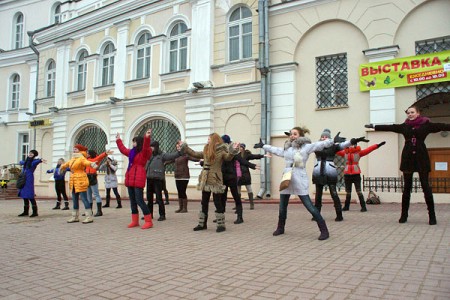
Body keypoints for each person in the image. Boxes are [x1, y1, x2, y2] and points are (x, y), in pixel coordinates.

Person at [365, 104, 450, 225]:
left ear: (418, 113)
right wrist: (374, 126)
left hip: (421, 157)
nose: (410, 114)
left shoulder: (426, 125)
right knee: (407, 188)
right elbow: (391, 127)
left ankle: (432, 216)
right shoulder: (404, 126)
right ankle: (404, 215)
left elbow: (442, 126)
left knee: (426, 187)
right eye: (408, 113)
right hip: (408, 157)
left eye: (412, 112)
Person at [254, 126, 339, 240]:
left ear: (300, 136)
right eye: (291, 134)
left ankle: (324, 230)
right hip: (287, 176)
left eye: (295, 134)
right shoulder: (288, 148)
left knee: (309, 205)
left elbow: (319, 145)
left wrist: (332, 141)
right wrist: (264, 146)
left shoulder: (306, 147)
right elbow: (277, 150)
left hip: (299, 176)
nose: (292, 136)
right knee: (282, 205)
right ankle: (280, 227)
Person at [179, 133, 240, 233]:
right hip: (205, 179)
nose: (207, 140)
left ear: (215, 140)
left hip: (215, 179)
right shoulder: (206, 149)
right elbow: (195, 153)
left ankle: (221, 225)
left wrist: (233, 149)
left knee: (217, 202)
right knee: (204, 202)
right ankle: (202, 224)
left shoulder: (221, 150)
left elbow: (228, 157)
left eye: (209, 139)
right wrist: (185, 147)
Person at [312, 129, 357, 222]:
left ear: (329, 138)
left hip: (330, 171)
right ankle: (316, 214)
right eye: (322, 136)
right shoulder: (316, 146)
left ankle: (339, 214)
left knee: (334, 193)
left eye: (326, 137)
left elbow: (343, 145)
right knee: (318, 195)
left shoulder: (334, 146)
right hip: (318, 171)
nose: (324, 138)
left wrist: (352, 141)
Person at [116, 129, 153, 229]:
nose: (133, 143)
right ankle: (135, 221)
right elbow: (123, 150)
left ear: (139, 142)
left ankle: (148, 221)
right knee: (132, 201)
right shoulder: (132, 152)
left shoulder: (144, 153)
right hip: (130, 179)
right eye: (133, 141)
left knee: (140, 200)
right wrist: (118, 140)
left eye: (134, 141)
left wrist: (147, 137)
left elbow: (146, 147)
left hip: (138, 179)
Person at [220, 134, 259, 224]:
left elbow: (242, 161)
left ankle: (240, 217)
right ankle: (221, 216)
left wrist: (252, 165)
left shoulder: (233, 151)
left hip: (232, 177)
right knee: (223, 197)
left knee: (236, 197)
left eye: (221, 141)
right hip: (223, 177)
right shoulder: (220, 151)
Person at [336, 142, 385, 212]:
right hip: (347, 174)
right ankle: (346, 207)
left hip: (356, 174)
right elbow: (336, 151)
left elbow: (368, 150)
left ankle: (363, 207)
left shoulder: (358, 153)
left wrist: (377, 145)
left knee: (359, 191)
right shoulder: (345, 153)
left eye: (352, 145)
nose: (351, 146)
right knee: (348, 192)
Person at [145, 141, 181, 221]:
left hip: (158, 179)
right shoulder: (149, 156)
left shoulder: (162, 155)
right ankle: (149, 214)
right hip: (149, 179)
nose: (151, 148)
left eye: (152, 147)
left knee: (159, 198)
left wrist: (179, 152)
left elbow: (171, 156)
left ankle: (162, 215)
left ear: (156, 147)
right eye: (150, 147)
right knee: (149, 198)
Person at [61, 144, 97, 224]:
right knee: (74, 199)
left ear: (80, 151)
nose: (74, 150)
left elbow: (86, 162)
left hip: (81, 180)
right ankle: (75, 216)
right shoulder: (73, 158)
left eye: (76, 149)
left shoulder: (81, 158)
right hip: (74, 180)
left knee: (84, 198)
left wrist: (92, 164)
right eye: (74, 149)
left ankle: (89, 217)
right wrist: (62, 167)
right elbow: (67, 164)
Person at [166, 142, 199, 213]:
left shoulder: (186, 155)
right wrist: (163, 163)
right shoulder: (176, 156)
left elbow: (194, 158)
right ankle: (180, 207)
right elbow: (169, 161)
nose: (178, 148)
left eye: (179, 147)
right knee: (179, 191)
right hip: (177, 176)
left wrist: (201, 160)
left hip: (184, 176)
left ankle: (185, 208)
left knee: (182, 191)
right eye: (177, 147)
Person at [17, 150, 45, 217]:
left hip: (29, 178)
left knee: (30, 195)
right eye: (29, 153)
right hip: (23, 178)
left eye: (32, 153)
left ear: (34, 155)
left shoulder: (34, 161)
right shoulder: (26, 161)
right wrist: (20, 162)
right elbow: (21, 162)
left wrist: (40, 160)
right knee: (24, 195)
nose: (30, 154)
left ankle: (35, 212)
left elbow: (37, 161)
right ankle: (25, 211)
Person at [86, 149, 112, 217]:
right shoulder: (86, 160)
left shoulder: (95, 159)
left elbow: (100, 157)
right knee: (88, 195)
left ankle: (99, 211)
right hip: (87, 177)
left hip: (92, 177)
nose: (87, 154)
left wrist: (105, 153)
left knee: (96, 194)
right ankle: (89, 211)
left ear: (91, 154)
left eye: (88, 153)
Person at [238, 143, 264, 210]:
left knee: (249, 189)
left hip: (245, 174)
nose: (240, 148)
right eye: (239, 147)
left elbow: (254, 156)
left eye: (241, 147)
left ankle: (251, 204)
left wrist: (262, 156)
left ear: (243, 148)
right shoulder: (237, 155)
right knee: (238, 191)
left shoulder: (246, 154)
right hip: (238, 174)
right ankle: (238, 204)